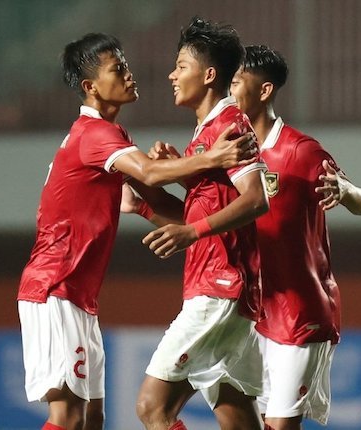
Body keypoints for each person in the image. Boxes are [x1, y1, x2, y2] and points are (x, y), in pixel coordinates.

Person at [16, 32, 256, 430]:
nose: (130, 74)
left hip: (78, 294)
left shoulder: (115, 138)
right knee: (69, 418)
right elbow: (149, 171)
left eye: (125, 65)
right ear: (91, 87)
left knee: (92, 420)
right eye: (117, 69)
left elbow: (167, 206)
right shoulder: (93, 134)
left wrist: (161, 211)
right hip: (54, 284)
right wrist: (210, 158)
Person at [132, 17, 269, 430]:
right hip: (228, 290)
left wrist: (191, 231)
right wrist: (150, 197)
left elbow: (257, 198)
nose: (172, 75)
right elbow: (196, 211)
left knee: (152, 409)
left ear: (209, 75)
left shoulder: (229, 125)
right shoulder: (206, 133)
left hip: (219, 288)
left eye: (181, 66)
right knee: (240, 421)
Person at [229, 45, 361, 430]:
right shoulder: (229, 152)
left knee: (280, 425)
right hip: (254, 314)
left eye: (237, 81)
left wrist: (344, 191)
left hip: (300, 312)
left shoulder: (300, 151)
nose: (230, 90)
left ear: (265, 90)